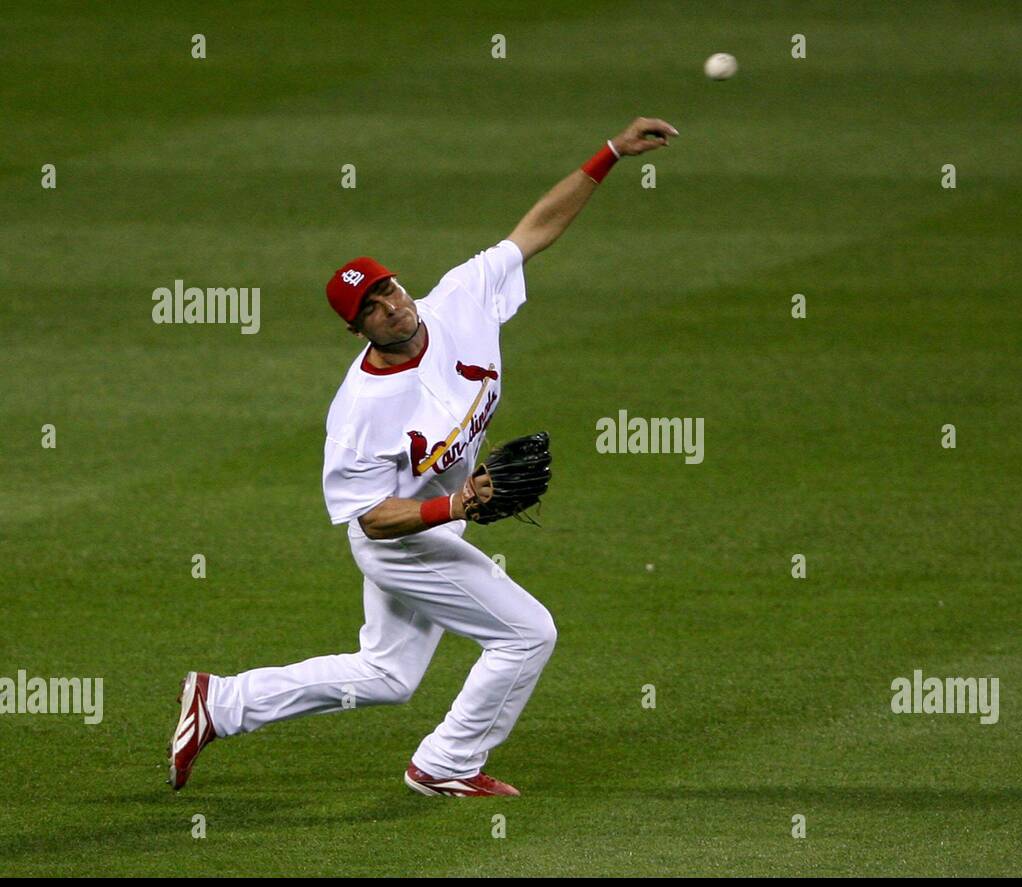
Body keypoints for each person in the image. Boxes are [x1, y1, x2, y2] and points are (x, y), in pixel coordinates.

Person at [167, 117, 680, 797]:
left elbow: (535, 230)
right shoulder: (359, 413)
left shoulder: (461, 300)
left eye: (389, 288)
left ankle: (222, 701)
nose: (390, 305)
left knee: (387, 674)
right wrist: (457, 502)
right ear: (355, 329)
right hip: (401, 543)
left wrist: (609, 154)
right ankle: (444, 764)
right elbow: (372, 521)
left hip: (438, 521)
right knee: (528, 634)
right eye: (371, 307)